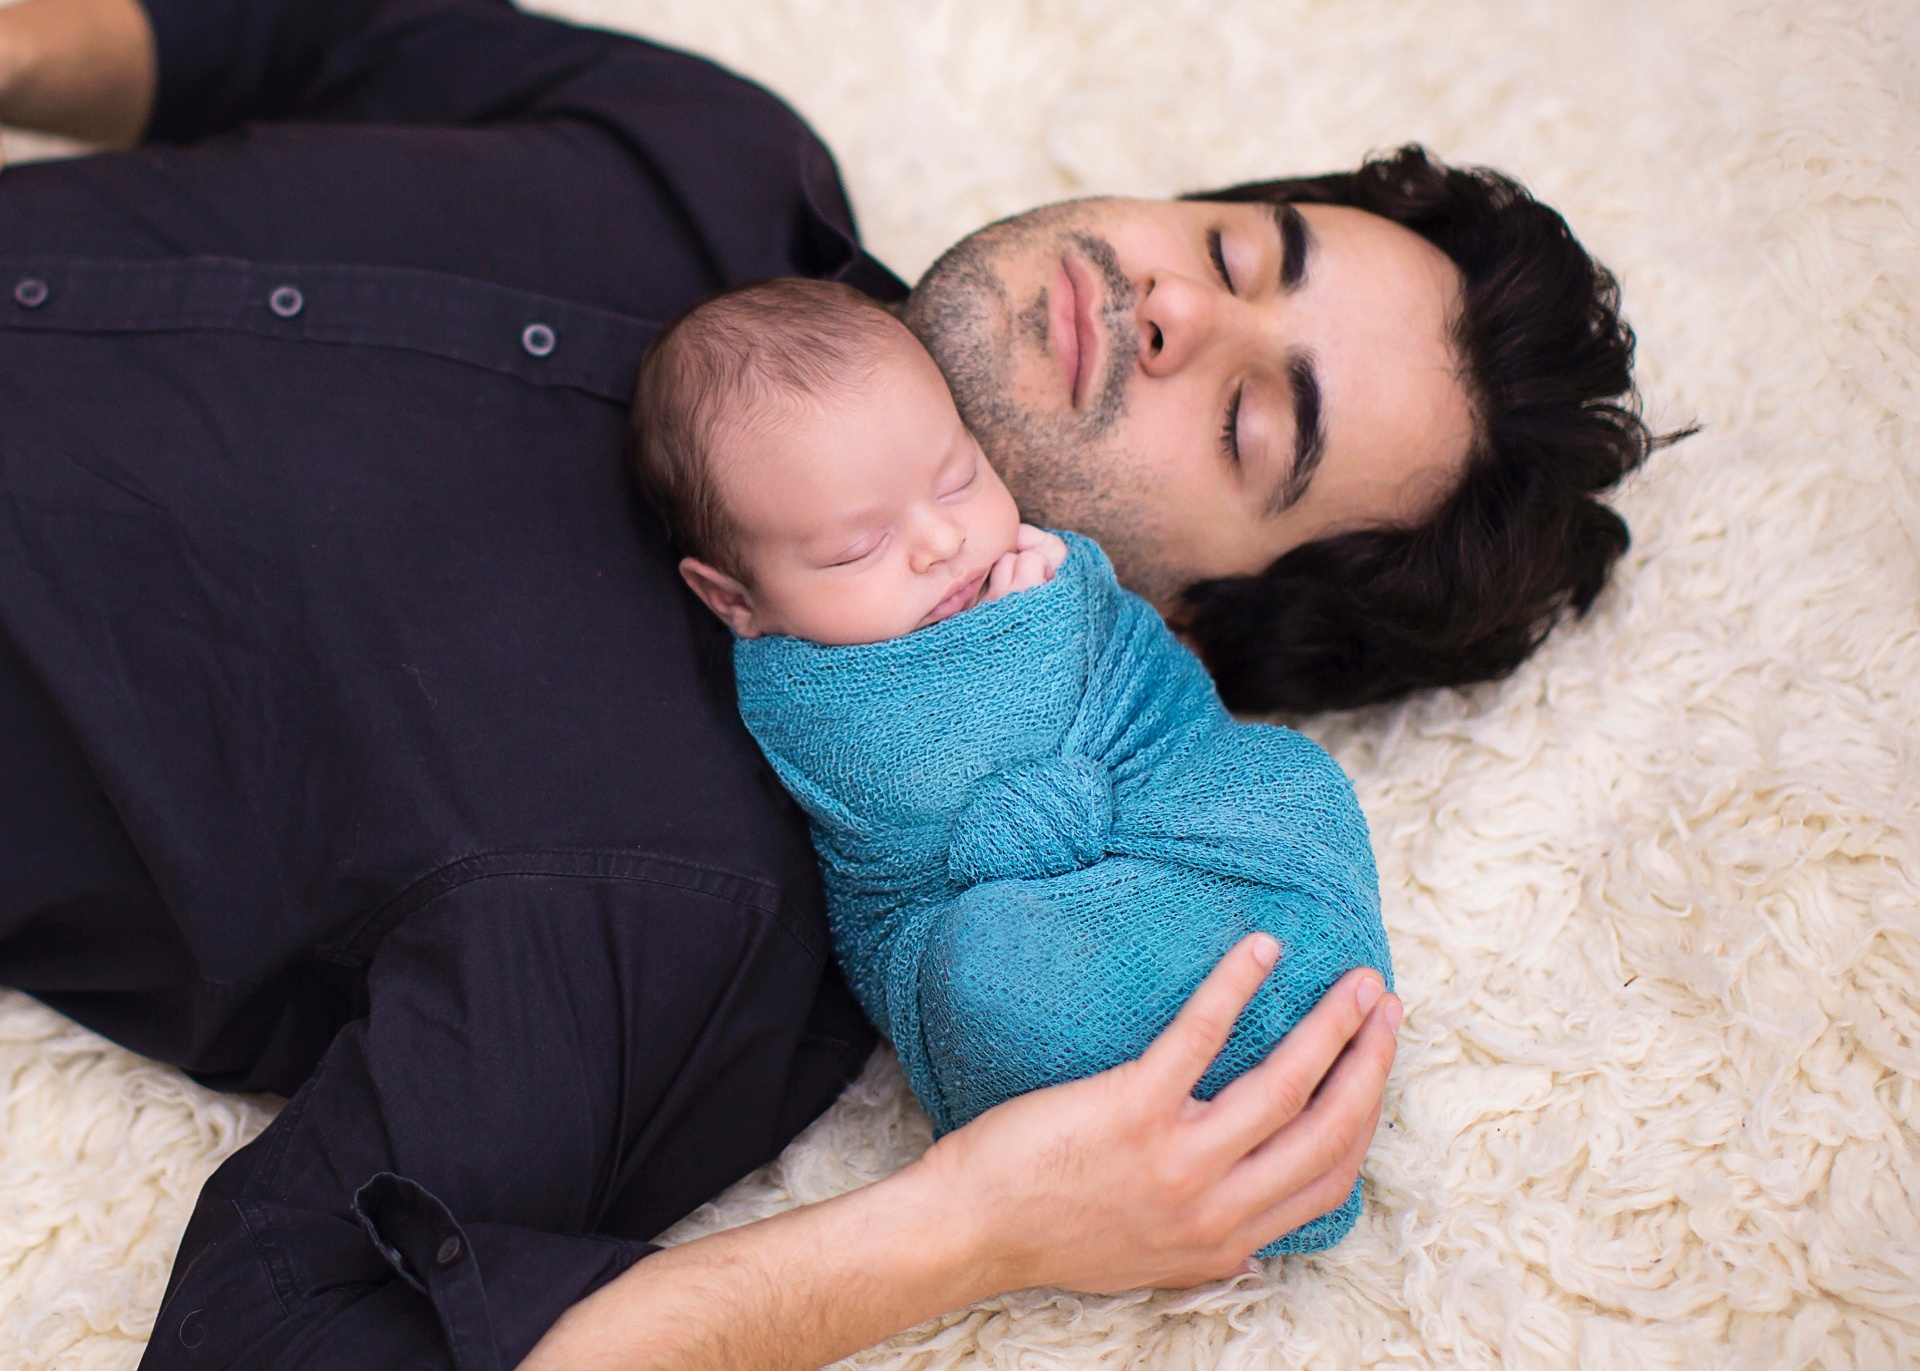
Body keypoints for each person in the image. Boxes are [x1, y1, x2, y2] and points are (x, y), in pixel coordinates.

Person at [0, 0, 1649, 1364]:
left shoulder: (689, 907)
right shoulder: (721, 149)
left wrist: (964, 1232)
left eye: (1246, 421)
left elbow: (278, 1334)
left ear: (1217, 628)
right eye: (1234, 245)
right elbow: (296, 48)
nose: (1170, 310)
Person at [634, 277, 1395, 1256]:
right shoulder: (804, 696)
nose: (944, 542)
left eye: (958, 479)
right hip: (997, 904)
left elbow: (1147, 680)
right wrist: (1031, 640)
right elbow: (944, 808)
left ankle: (1315, 1018)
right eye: (861, 545)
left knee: (1291, 776)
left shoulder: (1004, 561)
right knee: (994, 976)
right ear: (735, 599)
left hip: (1160, 804)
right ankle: (1228, 1113)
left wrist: (1069, 601)